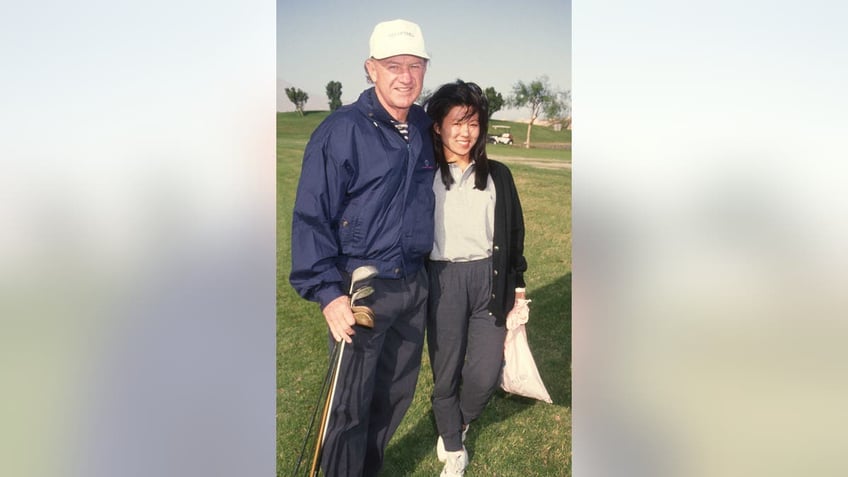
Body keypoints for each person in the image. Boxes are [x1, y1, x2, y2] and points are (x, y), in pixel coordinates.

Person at [288, 19, 435, 476]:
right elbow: (312, 216)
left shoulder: (425, 127)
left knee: (393, 397)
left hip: (412, 285)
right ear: (371, 69)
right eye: (394, 65)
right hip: (362, 291)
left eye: (415, 65)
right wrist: (328, 294)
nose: (405, 76)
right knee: (348, 408)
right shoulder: (341, 131)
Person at [424, 80, 529, 476]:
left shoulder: (499, 175)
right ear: (438, 126)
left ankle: (458, 421)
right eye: (457, 122)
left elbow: (514, 233)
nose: (466, 132)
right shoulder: (425, 174)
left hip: (490, 278)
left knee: (485, 374)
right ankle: (453, 446)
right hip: (443, 279)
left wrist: (517, 286)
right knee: (446, 369)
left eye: (474, 123)